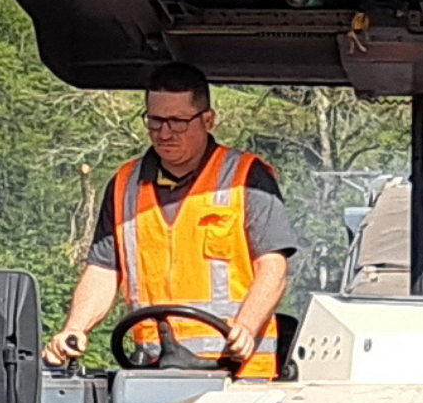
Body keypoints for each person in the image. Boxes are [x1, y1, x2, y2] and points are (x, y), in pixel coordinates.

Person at [45, 62, 296, 374]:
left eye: (177, 122)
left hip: (237, 375)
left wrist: (246, 326)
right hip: (152, 372)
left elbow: (273, 267)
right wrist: (75, 328)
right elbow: (104, 269)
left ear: (208, 120)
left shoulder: (246, 177)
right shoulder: (125, 185)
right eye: (155, 121)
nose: (164, 133)